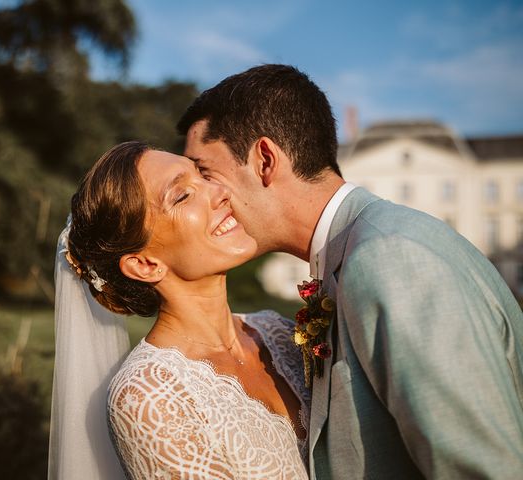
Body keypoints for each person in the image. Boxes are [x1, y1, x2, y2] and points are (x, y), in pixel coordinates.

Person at [177, 64, 523, 479]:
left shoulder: (392, 259)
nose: (204, 199)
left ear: (265, 160)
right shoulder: (354, 255)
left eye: (205, 172)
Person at [49, 141, 311, 480]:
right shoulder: (149, 397)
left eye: (202, 175)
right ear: (145, 264)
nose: (219, 190)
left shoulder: (277, 331)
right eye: (182, 196)